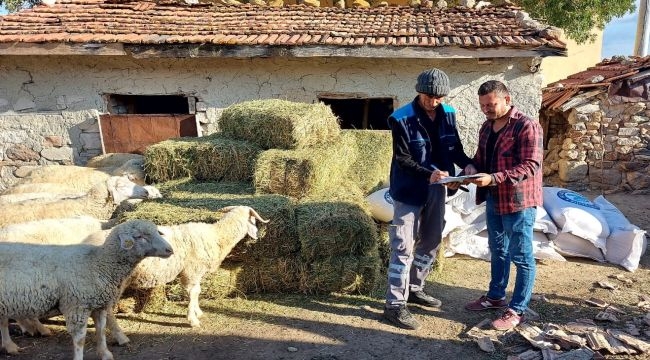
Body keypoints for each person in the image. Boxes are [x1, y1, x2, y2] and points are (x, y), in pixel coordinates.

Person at [383, 68, 475, 330]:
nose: (433, 102)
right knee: (402, 245)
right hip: (409, 189)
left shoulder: (448, 114)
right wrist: (429, 174)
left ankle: (415, 287)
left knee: (433, 239)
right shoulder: (400, 118)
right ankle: (394, 305)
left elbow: (454, 147)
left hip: (438, 187)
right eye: (428, 97)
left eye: (438, 98)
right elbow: (403, 158)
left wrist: (467, 165)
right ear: (419, 92)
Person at [462, 80, 543, 331]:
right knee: (498, 249)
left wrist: (494, 178)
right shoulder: (486, 127)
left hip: (518, 201)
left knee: (521, 255)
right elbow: (480, 159)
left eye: (491, 104)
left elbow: (531, 165)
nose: (486, 109)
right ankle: (496, 296)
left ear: (507, 100)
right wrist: (472, 168)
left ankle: (518, 309)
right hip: (494, 198)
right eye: (483, 105)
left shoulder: (526, 126)